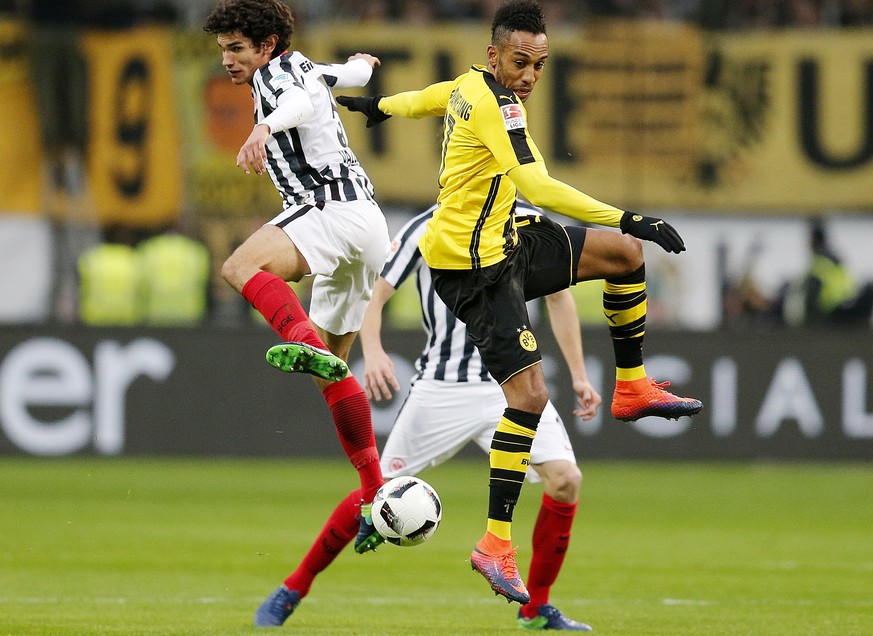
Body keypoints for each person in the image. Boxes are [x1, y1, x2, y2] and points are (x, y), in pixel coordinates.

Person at [337, 0, 702, 604]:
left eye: (539, 64)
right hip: (472, 273)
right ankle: (494, 543)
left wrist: (381, 106)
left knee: (624, 257)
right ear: (494, 55)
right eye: (520, 61)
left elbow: (430, 96)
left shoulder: (468, 85)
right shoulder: (496, 104)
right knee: (529, 398)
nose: (530, 75)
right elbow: (536, 184)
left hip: (507, 243)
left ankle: (633, 384)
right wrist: (630, 215)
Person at [254, 201, 601, 630]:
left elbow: (559, 297)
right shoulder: (428, 224)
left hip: (512, 385)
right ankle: (294, 587)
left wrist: (580, 375)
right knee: (372, 494)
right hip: (441, 390)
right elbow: (377, 292)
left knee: (566, 480)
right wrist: (375, 351)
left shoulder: (529, 221)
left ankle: (536, 610)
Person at [203, 0, 391, 553]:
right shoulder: (306, 65)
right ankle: (375, 495)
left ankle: (300, 340)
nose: (228, 61)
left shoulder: (279, 75)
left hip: (329, 207)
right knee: (332, 375)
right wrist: (362, 66)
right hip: (368, 228)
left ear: (266, 46)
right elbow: (342, 76)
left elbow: (300, 102)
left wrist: (263, 126)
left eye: (236, 49)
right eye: (223, 51)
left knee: (238, 267)